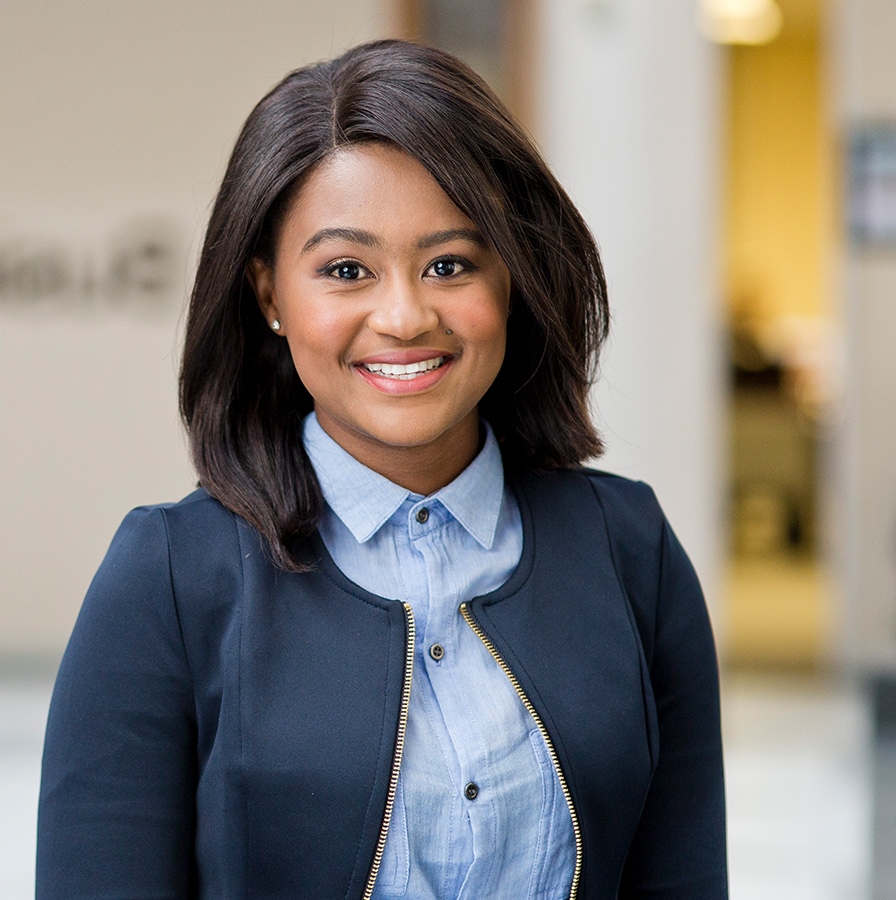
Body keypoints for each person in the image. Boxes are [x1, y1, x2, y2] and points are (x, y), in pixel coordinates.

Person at [36, 39, 725, 900]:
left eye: (449, 264)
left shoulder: (632, 554)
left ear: (511, 277)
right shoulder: (170, 578)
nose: (403, 315)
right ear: (268, 296)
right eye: (346, 270)